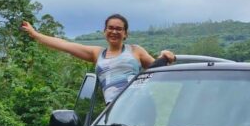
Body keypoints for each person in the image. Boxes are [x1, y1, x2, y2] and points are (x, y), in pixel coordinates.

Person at [20, 14, 176, 103]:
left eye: (119, 29)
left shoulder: (135, 51)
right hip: (113, 108)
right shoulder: (97, 53)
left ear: (125, 34)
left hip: (138, 106)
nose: (114, 31)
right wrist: (35, 34)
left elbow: (158, 71)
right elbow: (64, 45)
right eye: (111, 28)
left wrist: (165, 56)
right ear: (104, 31)